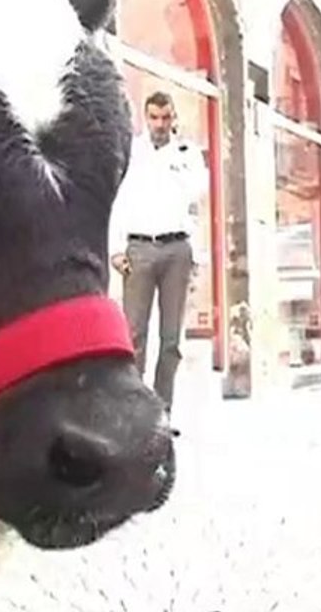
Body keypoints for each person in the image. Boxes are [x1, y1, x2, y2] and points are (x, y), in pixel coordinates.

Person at [109, 91, 208, 412]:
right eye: (154, 117)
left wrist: (173, 159)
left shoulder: (187, 153)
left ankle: (163, 411)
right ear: (145, 117)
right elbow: (119, 201)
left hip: (176, 249)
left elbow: (196, 195)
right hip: (139, 247)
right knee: (134, 335)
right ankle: (136, 412)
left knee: (171, 341)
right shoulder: (133, 151)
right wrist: (115, 247)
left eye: (166, 118)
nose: (160, 124)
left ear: (173, 118)